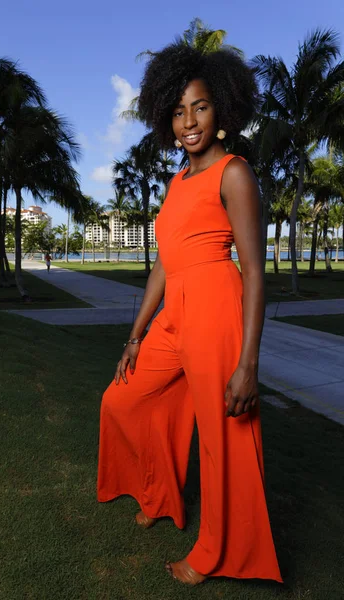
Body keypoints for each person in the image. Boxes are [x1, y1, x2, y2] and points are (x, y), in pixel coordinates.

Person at [97, 43, 282, 586]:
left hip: (215, 311)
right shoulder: (177, 182)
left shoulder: (234, 173)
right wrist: (137, 333)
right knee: (124, 399)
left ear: (220, 108)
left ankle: (215, 554)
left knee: (223, 440)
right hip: (172, 315)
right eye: (178, 111)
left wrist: (248, 363)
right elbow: (163, 263)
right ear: (165, 119)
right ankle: (158, 493)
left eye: (199, 107)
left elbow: (253, 270)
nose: (189, 121)